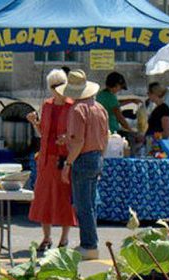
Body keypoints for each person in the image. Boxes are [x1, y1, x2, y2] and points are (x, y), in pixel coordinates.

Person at [57, 70, 108, 261]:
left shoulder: (77, 110)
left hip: (83, 158)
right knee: (90, 203)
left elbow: (78, 141)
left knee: (82, 205)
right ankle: (90, 242)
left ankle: (89, 245)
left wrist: (68, 164)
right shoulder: (99, 108)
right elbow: (105, 136)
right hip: (96, 156)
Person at [26, 69, 77, 252]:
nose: (57, 89)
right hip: (46, 159)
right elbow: (44, 134)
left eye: (60, 85)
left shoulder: (72, 106)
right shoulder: (46, 105)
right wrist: (35, 123)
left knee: (64, 198)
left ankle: (64, 238)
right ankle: (46, 237)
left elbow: (77, 135)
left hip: (64, 159)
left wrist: (68, 138)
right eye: (53, 86)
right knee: (44, 198)